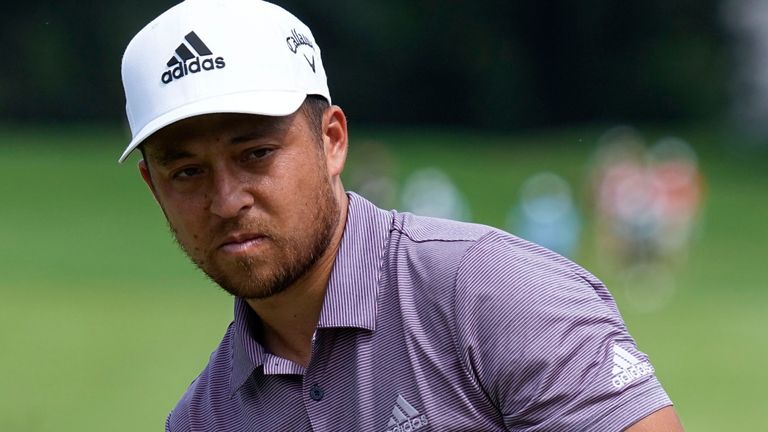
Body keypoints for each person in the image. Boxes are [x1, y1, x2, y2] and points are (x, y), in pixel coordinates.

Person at [118, 1, 685, 430]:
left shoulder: (493, 293)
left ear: (332, 140)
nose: (226, 199)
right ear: (152, 187)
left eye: (256, 154)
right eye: (187, 171)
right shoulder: (206, 418)